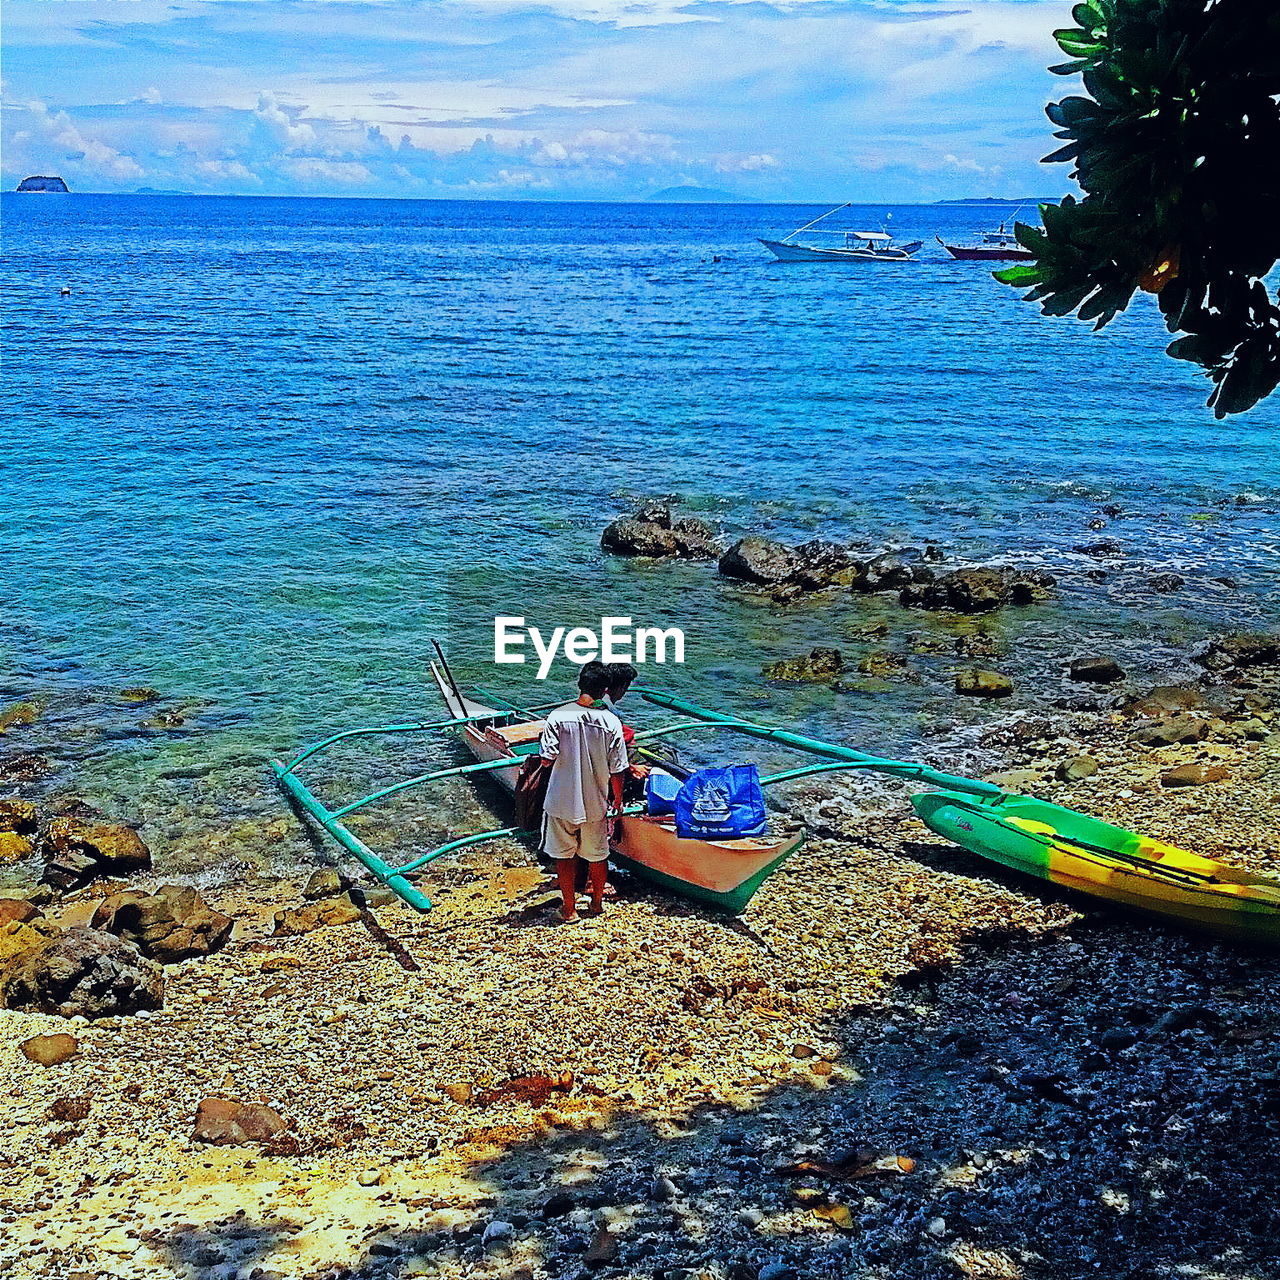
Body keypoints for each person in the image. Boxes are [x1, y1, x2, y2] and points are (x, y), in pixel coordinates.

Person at [538, 660, 629, 922]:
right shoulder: (611, 722)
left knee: (564, 857)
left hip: (561, 802)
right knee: (598, 856)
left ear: (580, 684)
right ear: (605, 690)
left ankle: (569, 909)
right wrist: (618, 801)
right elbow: (618, 769)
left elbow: (547, 758)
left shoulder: (557, 716)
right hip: (596, 803)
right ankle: (597, 904)